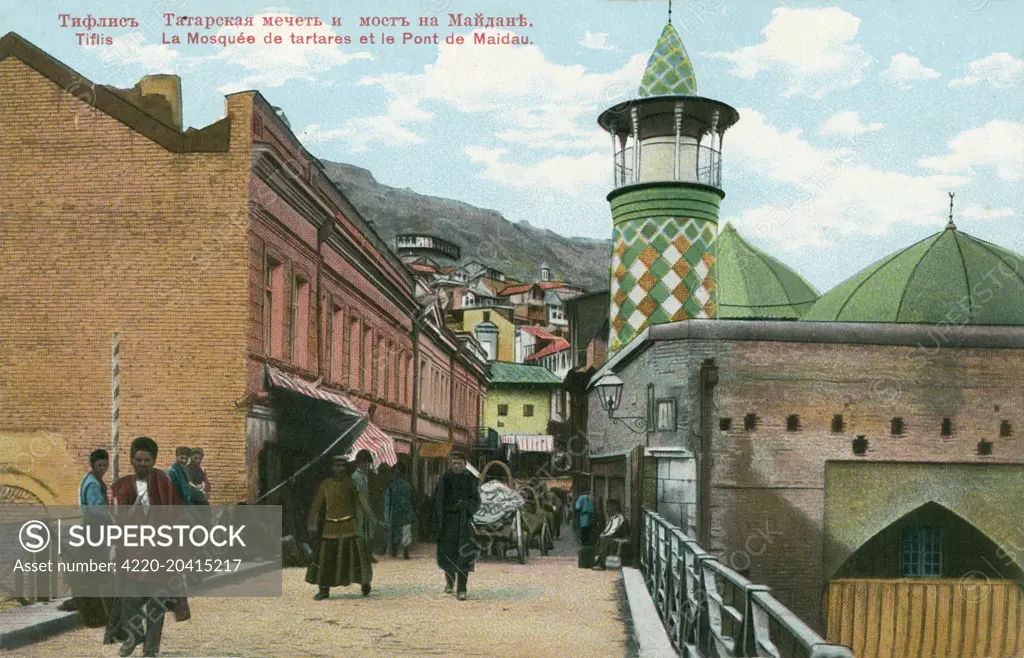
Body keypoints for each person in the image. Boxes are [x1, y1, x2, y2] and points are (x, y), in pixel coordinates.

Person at [110, 436, 184, 657]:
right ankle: (134, 635)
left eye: (147, 460)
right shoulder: (122, 485)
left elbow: (179, 514)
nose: (143, 464)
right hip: (131, 552)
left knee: (156, 604)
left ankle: (151, 650)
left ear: (154, 461)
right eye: (138, 460)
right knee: (128, 598)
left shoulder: (164, 484)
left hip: (159, 552)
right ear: (132, 460)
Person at [306, 455, 376, 599]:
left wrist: (372, 517)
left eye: (342, 465)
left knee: (356, 558)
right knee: (326, 560)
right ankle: (324, 590)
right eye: (336, 465)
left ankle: (364, 583)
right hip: (329, 528)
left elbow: (362, 502)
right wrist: (311, 524)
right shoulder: (325, 485)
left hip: (348, 527)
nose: (340, 469)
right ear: (331, 468)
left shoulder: (350, 484)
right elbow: (316, 505)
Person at [73, 450, 123, 640]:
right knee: (104, 577)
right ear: (93, 465)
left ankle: (107, 623)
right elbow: (97, 510)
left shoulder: (90, 479)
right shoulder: (94, 484)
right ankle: (111, 624)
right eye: (99, 465)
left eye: (105, 465)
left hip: (90, 532)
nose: (102, 469)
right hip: (95, 533)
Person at [433, 451, 480, 601]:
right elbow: (438, 501)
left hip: (464, 524)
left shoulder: (470, 479)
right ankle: (450, 581)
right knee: (448, 554)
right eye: (454, 463)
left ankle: (462, 589)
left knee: (463, 556)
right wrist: (451, 508)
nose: (457, 466)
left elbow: (476, 500)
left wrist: (467, 506)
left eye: (460, 463)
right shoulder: (444, 479)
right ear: (450, 464)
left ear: (464, 464)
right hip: (448, 524)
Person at [350, 450, 378, 563]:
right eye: (367, 463)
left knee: (367, 531)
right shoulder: (356, 476)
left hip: (364, 507)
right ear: (361, 463)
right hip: (359, 508)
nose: (368, 466)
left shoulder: (363, 475)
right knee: (361, 533)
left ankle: (367, 554)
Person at [383, 463, 415, 559]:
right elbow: (414, 499)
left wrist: (386, 517)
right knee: (406, 532)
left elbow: (387, 502)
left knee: (395, 532)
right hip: (407, 512)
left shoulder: (391, 486)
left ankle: (394, 552)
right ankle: (405, 553)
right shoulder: (409, 485)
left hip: (395, 513)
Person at [592, 500, 630, 571]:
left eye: (608, 507)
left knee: (604, 539)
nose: (606, 510)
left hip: (621, 539)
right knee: (601, 538)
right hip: (616, 538)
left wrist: (603, 536)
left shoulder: (619, 518)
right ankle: (597, 560)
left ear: (614, 507)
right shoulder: (613, 518)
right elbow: (607, 531)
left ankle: (602, 564)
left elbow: (612, 531)